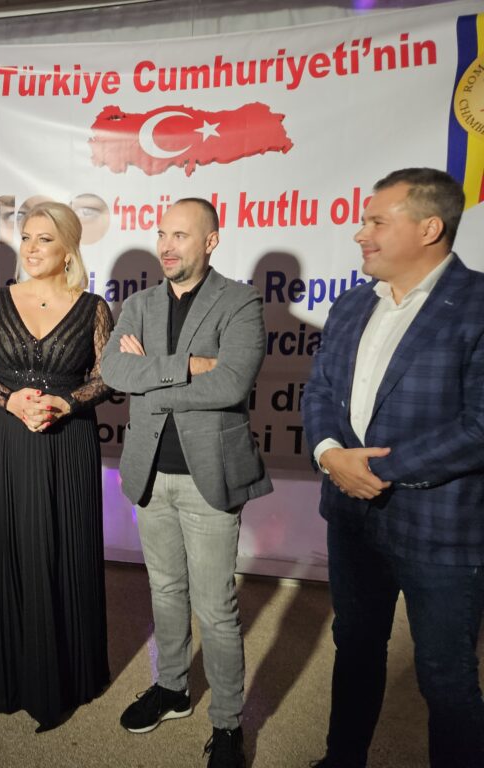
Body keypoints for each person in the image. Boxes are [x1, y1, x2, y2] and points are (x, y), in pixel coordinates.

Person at [302, 168, 484, 768]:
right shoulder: (354, 302)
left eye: (377, 221)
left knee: (444, 675)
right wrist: (329, 455)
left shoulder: (478, 304)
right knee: (355, 647)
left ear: (430, 228)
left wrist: (377, 469)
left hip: (441, 527)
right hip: (351, 518)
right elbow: (319, 390)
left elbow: (480, 424)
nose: (361, 234)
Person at [100, 198, 271, 768]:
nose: (167, 245)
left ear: (211, 241)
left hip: (209, 477)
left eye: (181, 235)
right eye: (161, 234)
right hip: (150, 472)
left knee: (216, 607)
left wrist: (151, 375)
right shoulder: (138, 304)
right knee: (166, 592)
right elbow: (114, 371)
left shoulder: (239, 301)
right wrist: (188, 364)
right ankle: (172, 688)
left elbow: (231, 384)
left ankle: (227, 723)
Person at [0, 201, 113, 731]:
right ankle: (6, 668)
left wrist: (66, 403)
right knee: (10, 545)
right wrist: (12, 400)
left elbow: (107, 376)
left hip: (67, 440)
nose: (30, 248)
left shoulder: (93, 308)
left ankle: (65, 673)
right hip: (9, 439)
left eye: (44, 239)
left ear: (68, 248)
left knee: (63, 545)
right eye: (26, 237)